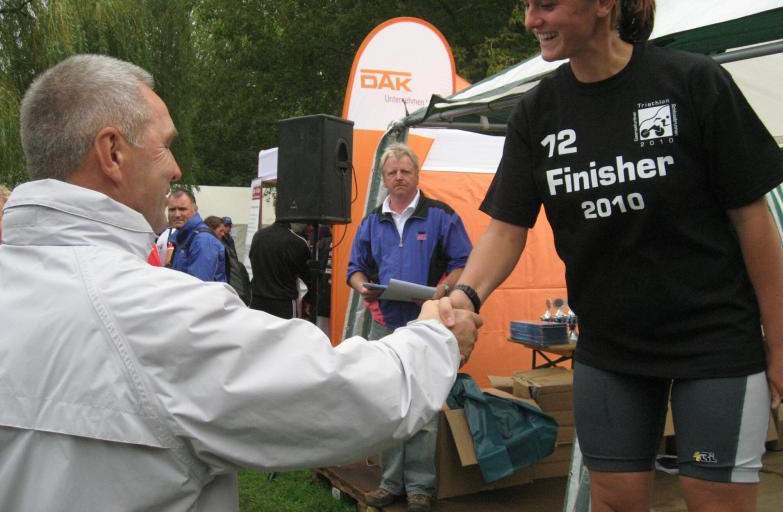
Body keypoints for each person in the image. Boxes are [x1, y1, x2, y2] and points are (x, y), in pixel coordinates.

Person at [0, 53, 482, 511]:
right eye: (165, 144)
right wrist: (437, 338)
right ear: (112, 153)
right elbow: (351, 398)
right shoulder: (155, 314)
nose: (175, 168)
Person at [435, 0, 783, 512]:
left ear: (604, 0)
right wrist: (466, 296)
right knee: (616, 501)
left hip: (715, 345)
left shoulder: (691, 83)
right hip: (610, 351)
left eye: (546, 4)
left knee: (714, 500)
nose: (531, 20)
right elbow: (506, 229)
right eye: (527, 5)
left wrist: (782, 343)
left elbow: (753, 221)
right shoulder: (538, 112)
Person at [347, 142, 473, 512]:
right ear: (384, 179)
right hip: (384, 323)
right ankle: (390, 483)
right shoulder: (372, 222)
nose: (399, 177)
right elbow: (355, 269)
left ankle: (419, 487)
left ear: (417, 175)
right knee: (388, 403)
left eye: (405, 171)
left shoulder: (441, 216)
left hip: (428, 324)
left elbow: (463, 261)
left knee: (424, 405)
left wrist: (443, 290)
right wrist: (363, 288)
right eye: (392, 173)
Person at [249, 212, 313, 319]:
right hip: (283, 302)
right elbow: (307, 276)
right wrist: (310, 299)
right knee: (287, 330)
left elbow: (253, 261)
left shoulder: (258, 235)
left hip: (258, 299)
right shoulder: (297, 241)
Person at [167, 188, 227, 282]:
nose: (177, 214)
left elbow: (199, 286)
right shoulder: (182, 236)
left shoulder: (203, 240)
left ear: (195, 210)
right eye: (172, 209)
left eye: (182, 209)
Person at [207, 214, 252, 304]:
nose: (226, 230)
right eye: (222, 229)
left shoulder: (227, 240)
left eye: (229, 226)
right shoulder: (214, 244)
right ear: (211, 229)